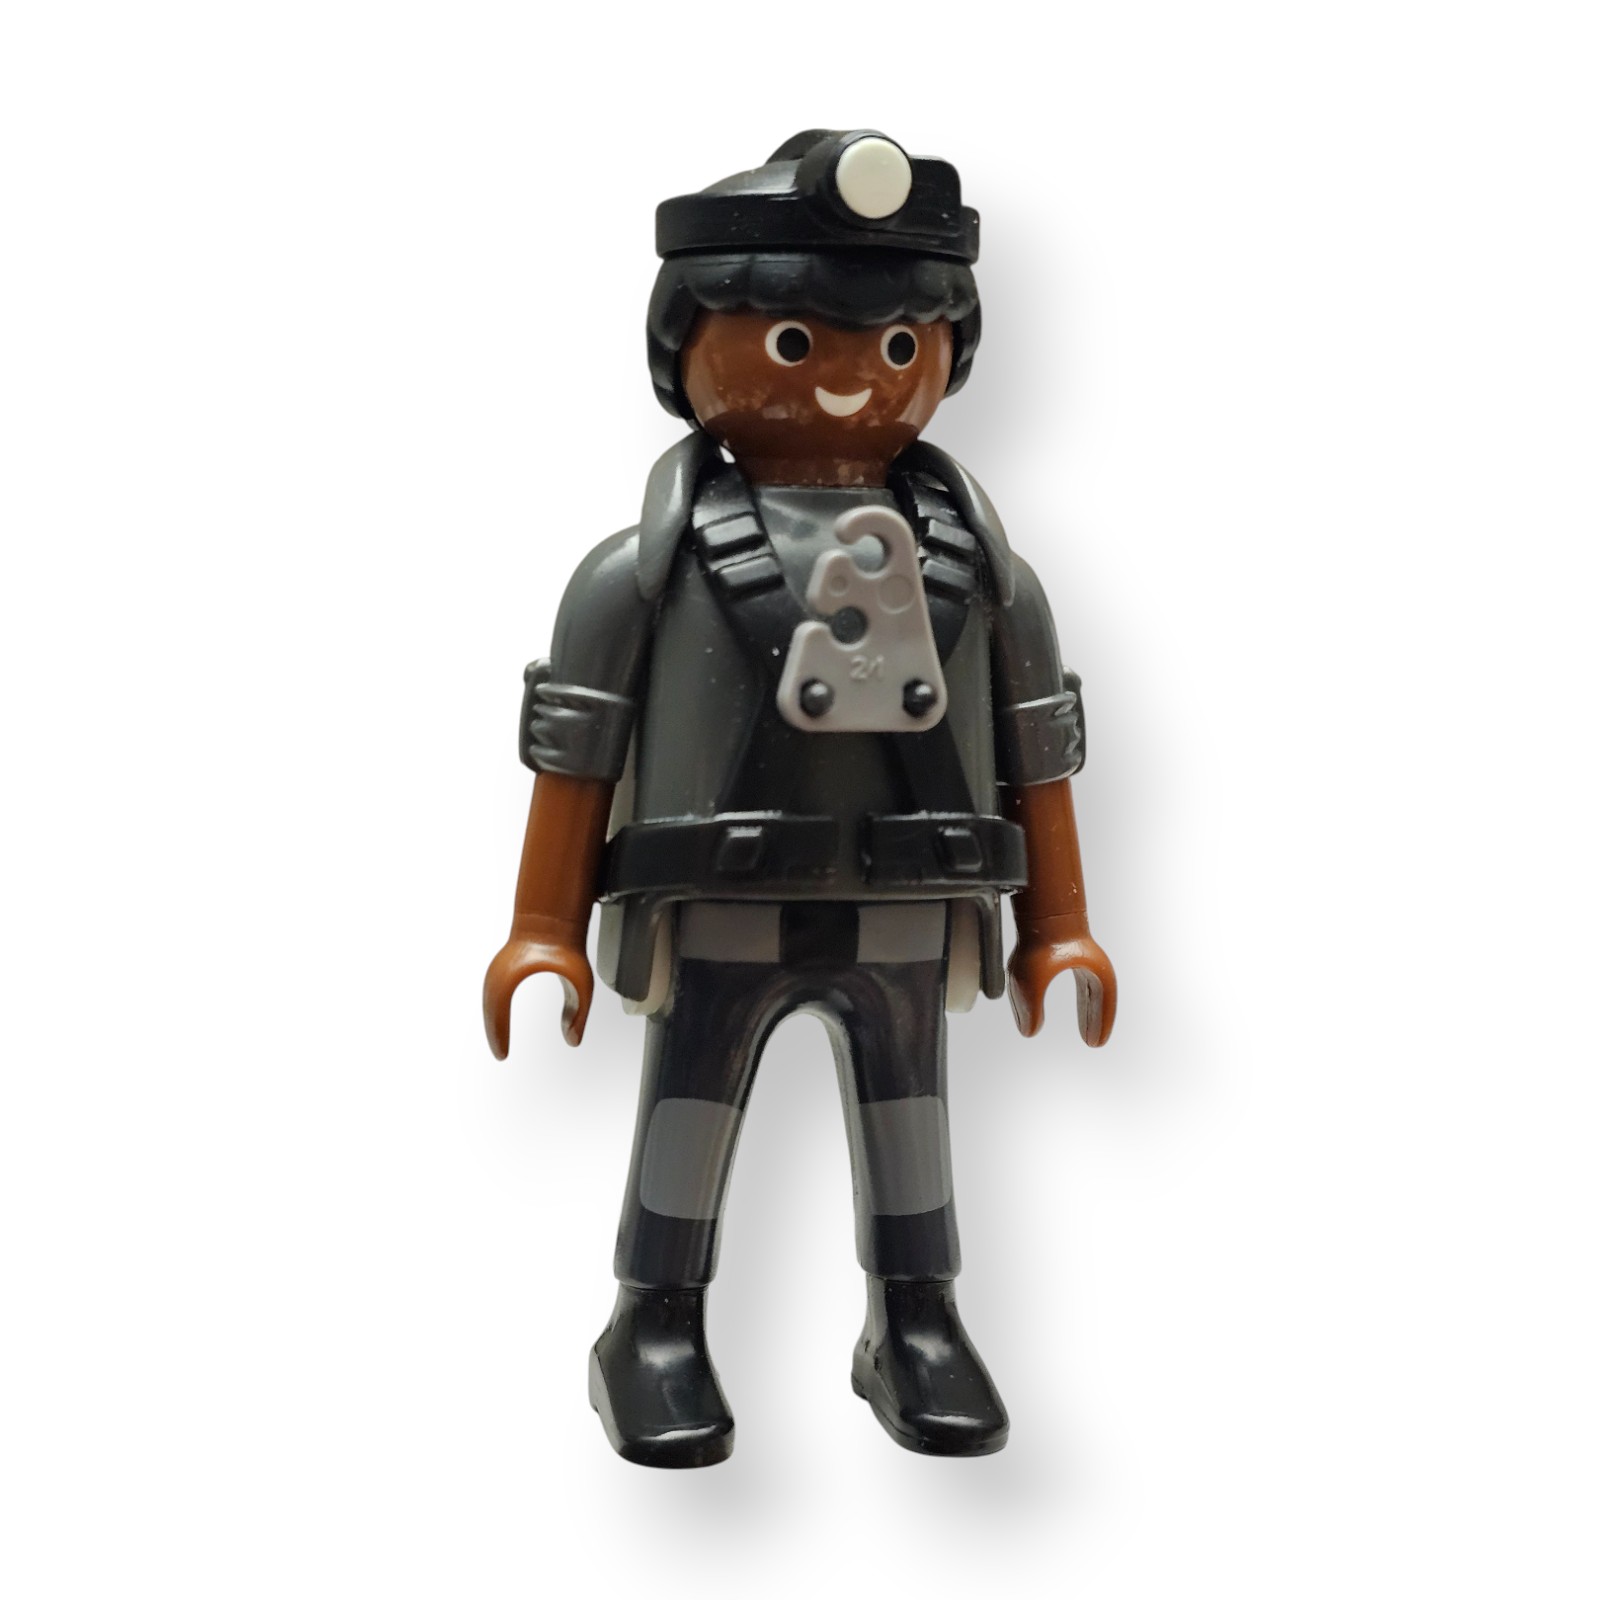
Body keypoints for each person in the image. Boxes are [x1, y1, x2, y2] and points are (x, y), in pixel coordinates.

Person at [483, 130, 1117, 1467]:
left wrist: (1059, 925)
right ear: (686, 347)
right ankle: (652, 1326)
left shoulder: (989, 578)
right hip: (718, 905)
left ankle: (917, 1320)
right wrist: (543, 926)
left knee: (911, 1120)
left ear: (946, 356)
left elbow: (1039, 752)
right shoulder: (641, 574)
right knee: (689, 1113)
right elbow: (576, 752)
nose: (846, 380)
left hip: (910, 909)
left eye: (896, 346)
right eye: (792, 342)